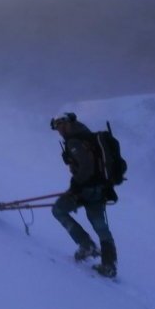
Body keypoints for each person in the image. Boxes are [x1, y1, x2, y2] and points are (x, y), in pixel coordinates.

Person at [50, 113, 118, 278]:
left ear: (67, 124)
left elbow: (86, 168)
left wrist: (75, 187)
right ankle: (109, 265)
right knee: (101, 226)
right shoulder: (87, 135)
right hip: (100, 189)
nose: (59, 131)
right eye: (57, 128)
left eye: (60, 126)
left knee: (58, 210)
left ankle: (86, 244)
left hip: (85, 190)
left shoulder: (74, 141)